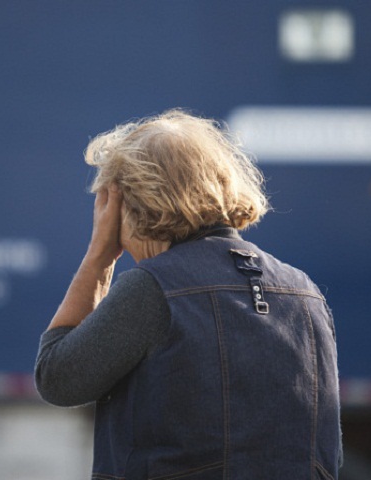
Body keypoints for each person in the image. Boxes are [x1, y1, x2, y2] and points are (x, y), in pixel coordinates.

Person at [34, 109, 342, 479]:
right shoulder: (305, 293)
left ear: (131, 206)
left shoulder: (153, 288)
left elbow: (57, 378)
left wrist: (100, 255)